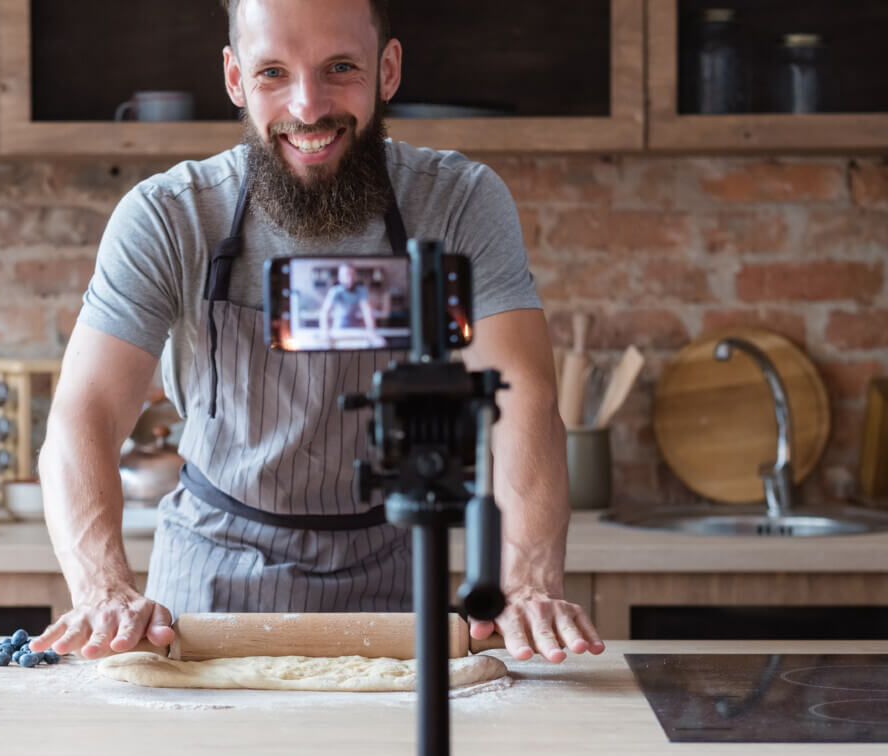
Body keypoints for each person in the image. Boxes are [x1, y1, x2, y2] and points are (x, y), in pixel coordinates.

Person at [30, 0, 605, 665]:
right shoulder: (169, 216)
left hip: (394, 588)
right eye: (273, 71)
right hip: (204, 594)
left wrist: (527, 583)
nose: (308, 107)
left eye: (339, 67)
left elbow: (521, 397)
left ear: (387, 70)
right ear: (235, 79)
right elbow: (85, 414)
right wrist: (102, 587)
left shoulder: (459, 202)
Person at [317, 263, 386, 347]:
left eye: (352, 274)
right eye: (346, 275)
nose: (349, 278)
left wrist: (372, 331)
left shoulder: (361, 290)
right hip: (338, 329)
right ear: (340, 277)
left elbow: (367, 311)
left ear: (355, 276)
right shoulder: (335, 291)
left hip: (355, 329)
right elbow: (325, 312)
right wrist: (324, 332)